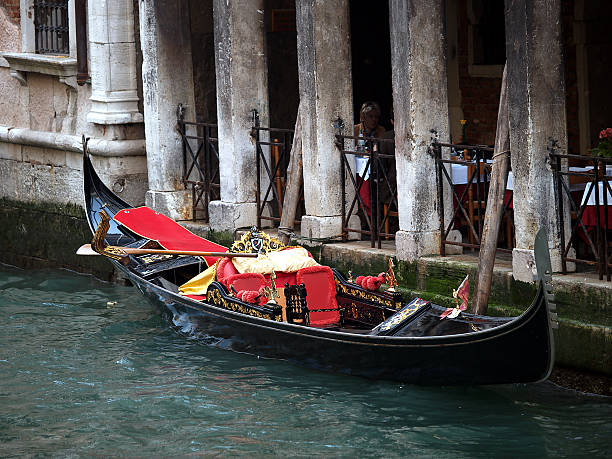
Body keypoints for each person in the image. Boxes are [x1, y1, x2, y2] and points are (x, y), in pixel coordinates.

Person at [353, 102, 386, 219]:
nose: (374, 120)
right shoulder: (356, 130)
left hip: (377, 167)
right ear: (363, 117)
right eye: (370, 116)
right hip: (361, 165)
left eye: (376, 117)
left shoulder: (381, 131)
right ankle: (366, 214)